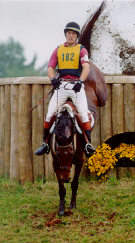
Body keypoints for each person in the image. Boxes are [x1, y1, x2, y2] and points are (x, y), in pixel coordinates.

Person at [35, 22, 95, 157]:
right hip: (61, 86)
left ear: (77, 36)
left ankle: (88, 145)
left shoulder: (82, 50)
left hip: (76, 87)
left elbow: (86, 67)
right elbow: (50, 67)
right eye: (69, 33)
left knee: (84, 115)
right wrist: (53, 80)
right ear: (66, 34)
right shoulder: (58, 50)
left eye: (73, 34)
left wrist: (80, 81)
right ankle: (44, 144)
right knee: (50, 114)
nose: (71, 36)